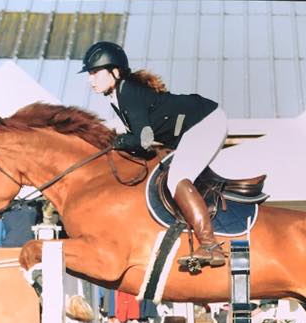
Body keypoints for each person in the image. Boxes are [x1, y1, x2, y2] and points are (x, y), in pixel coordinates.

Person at [81, 40, 227, 267]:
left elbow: (144, 140)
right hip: (193, 127)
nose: (90, 79)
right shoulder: (118, 96)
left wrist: (115, 141)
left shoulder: (127, 92)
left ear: (115, 72)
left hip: (206, 121)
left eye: (95, 73)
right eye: (89, 74)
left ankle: (210, 246)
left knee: (177, 178)